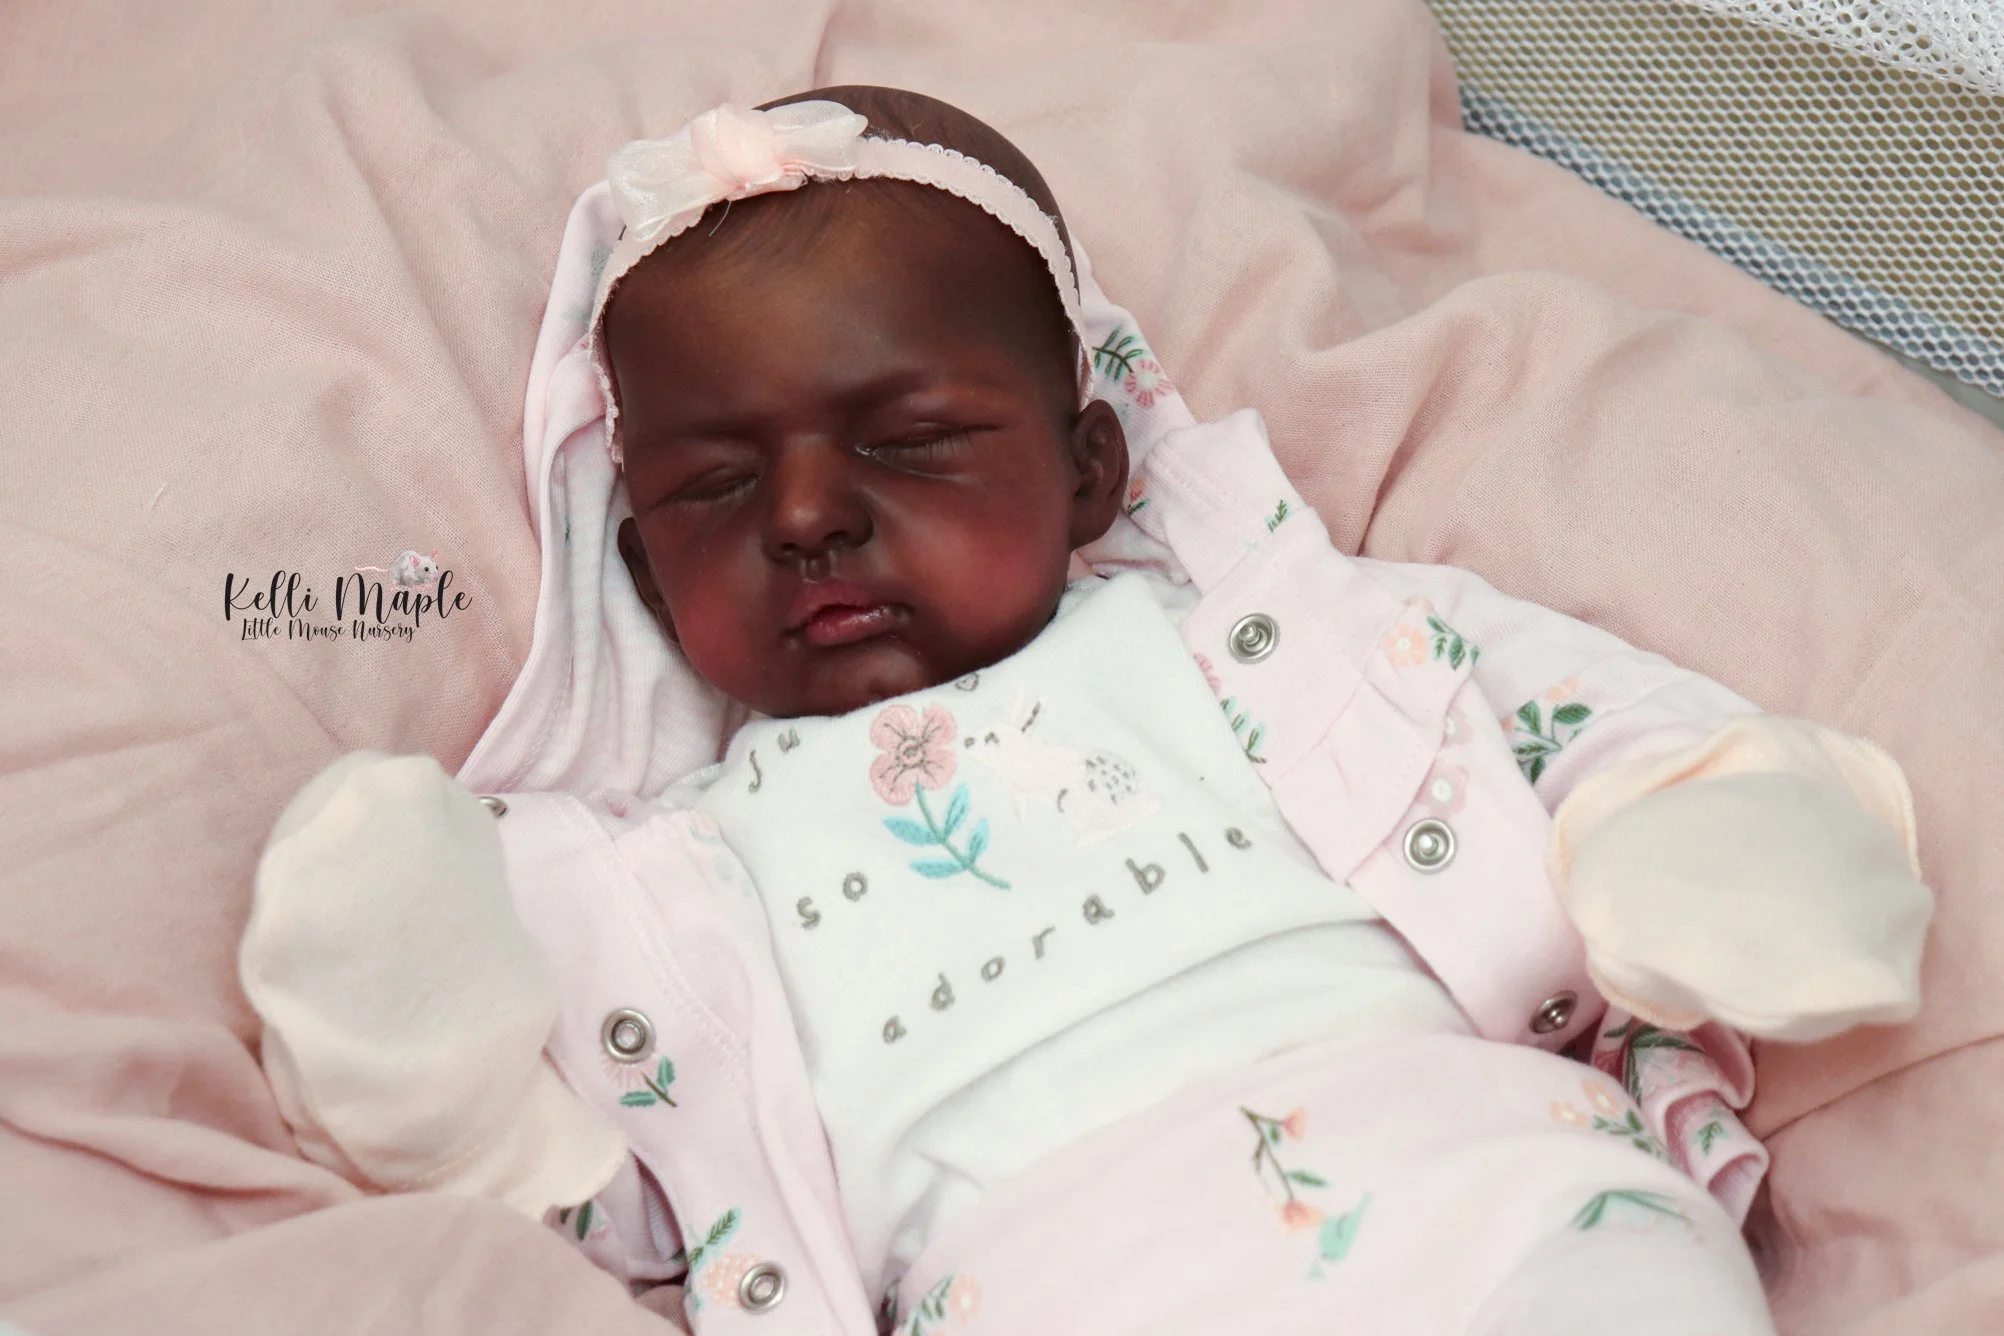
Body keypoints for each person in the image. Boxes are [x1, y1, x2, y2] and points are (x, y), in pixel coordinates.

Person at [241, 87, 1933, 1334]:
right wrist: (450, 1059)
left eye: (907, 442)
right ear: (639, 566)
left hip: (1486, 1186)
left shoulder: (1258, 643)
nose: (807, 517)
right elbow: (630, 1197)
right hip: (1044, 1283)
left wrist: (1695, 827)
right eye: (714, 489)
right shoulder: (674, 871)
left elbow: (1552, 714)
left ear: (1090, 469)